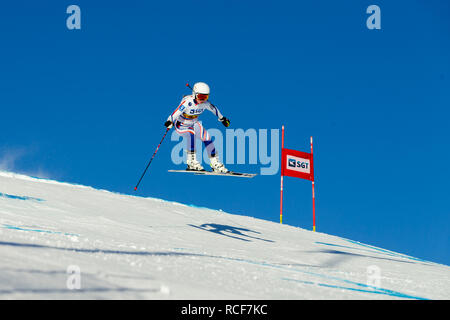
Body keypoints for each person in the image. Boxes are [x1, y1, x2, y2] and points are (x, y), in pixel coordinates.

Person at [164, 82, 230, 173]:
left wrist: (222, 119)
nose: (202, 100)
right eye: (201, 97)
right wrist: (169, 121)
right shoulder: (187, 102)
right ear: (194, 95)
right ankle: (191, 162)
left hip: (194, 123)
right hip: (181, 125)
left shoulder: (205, 104)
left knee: (207, 138)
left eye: (205, 97)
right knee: (191, 135)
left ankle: (215, 163)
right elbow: (177, 112)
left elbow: (214, 109)